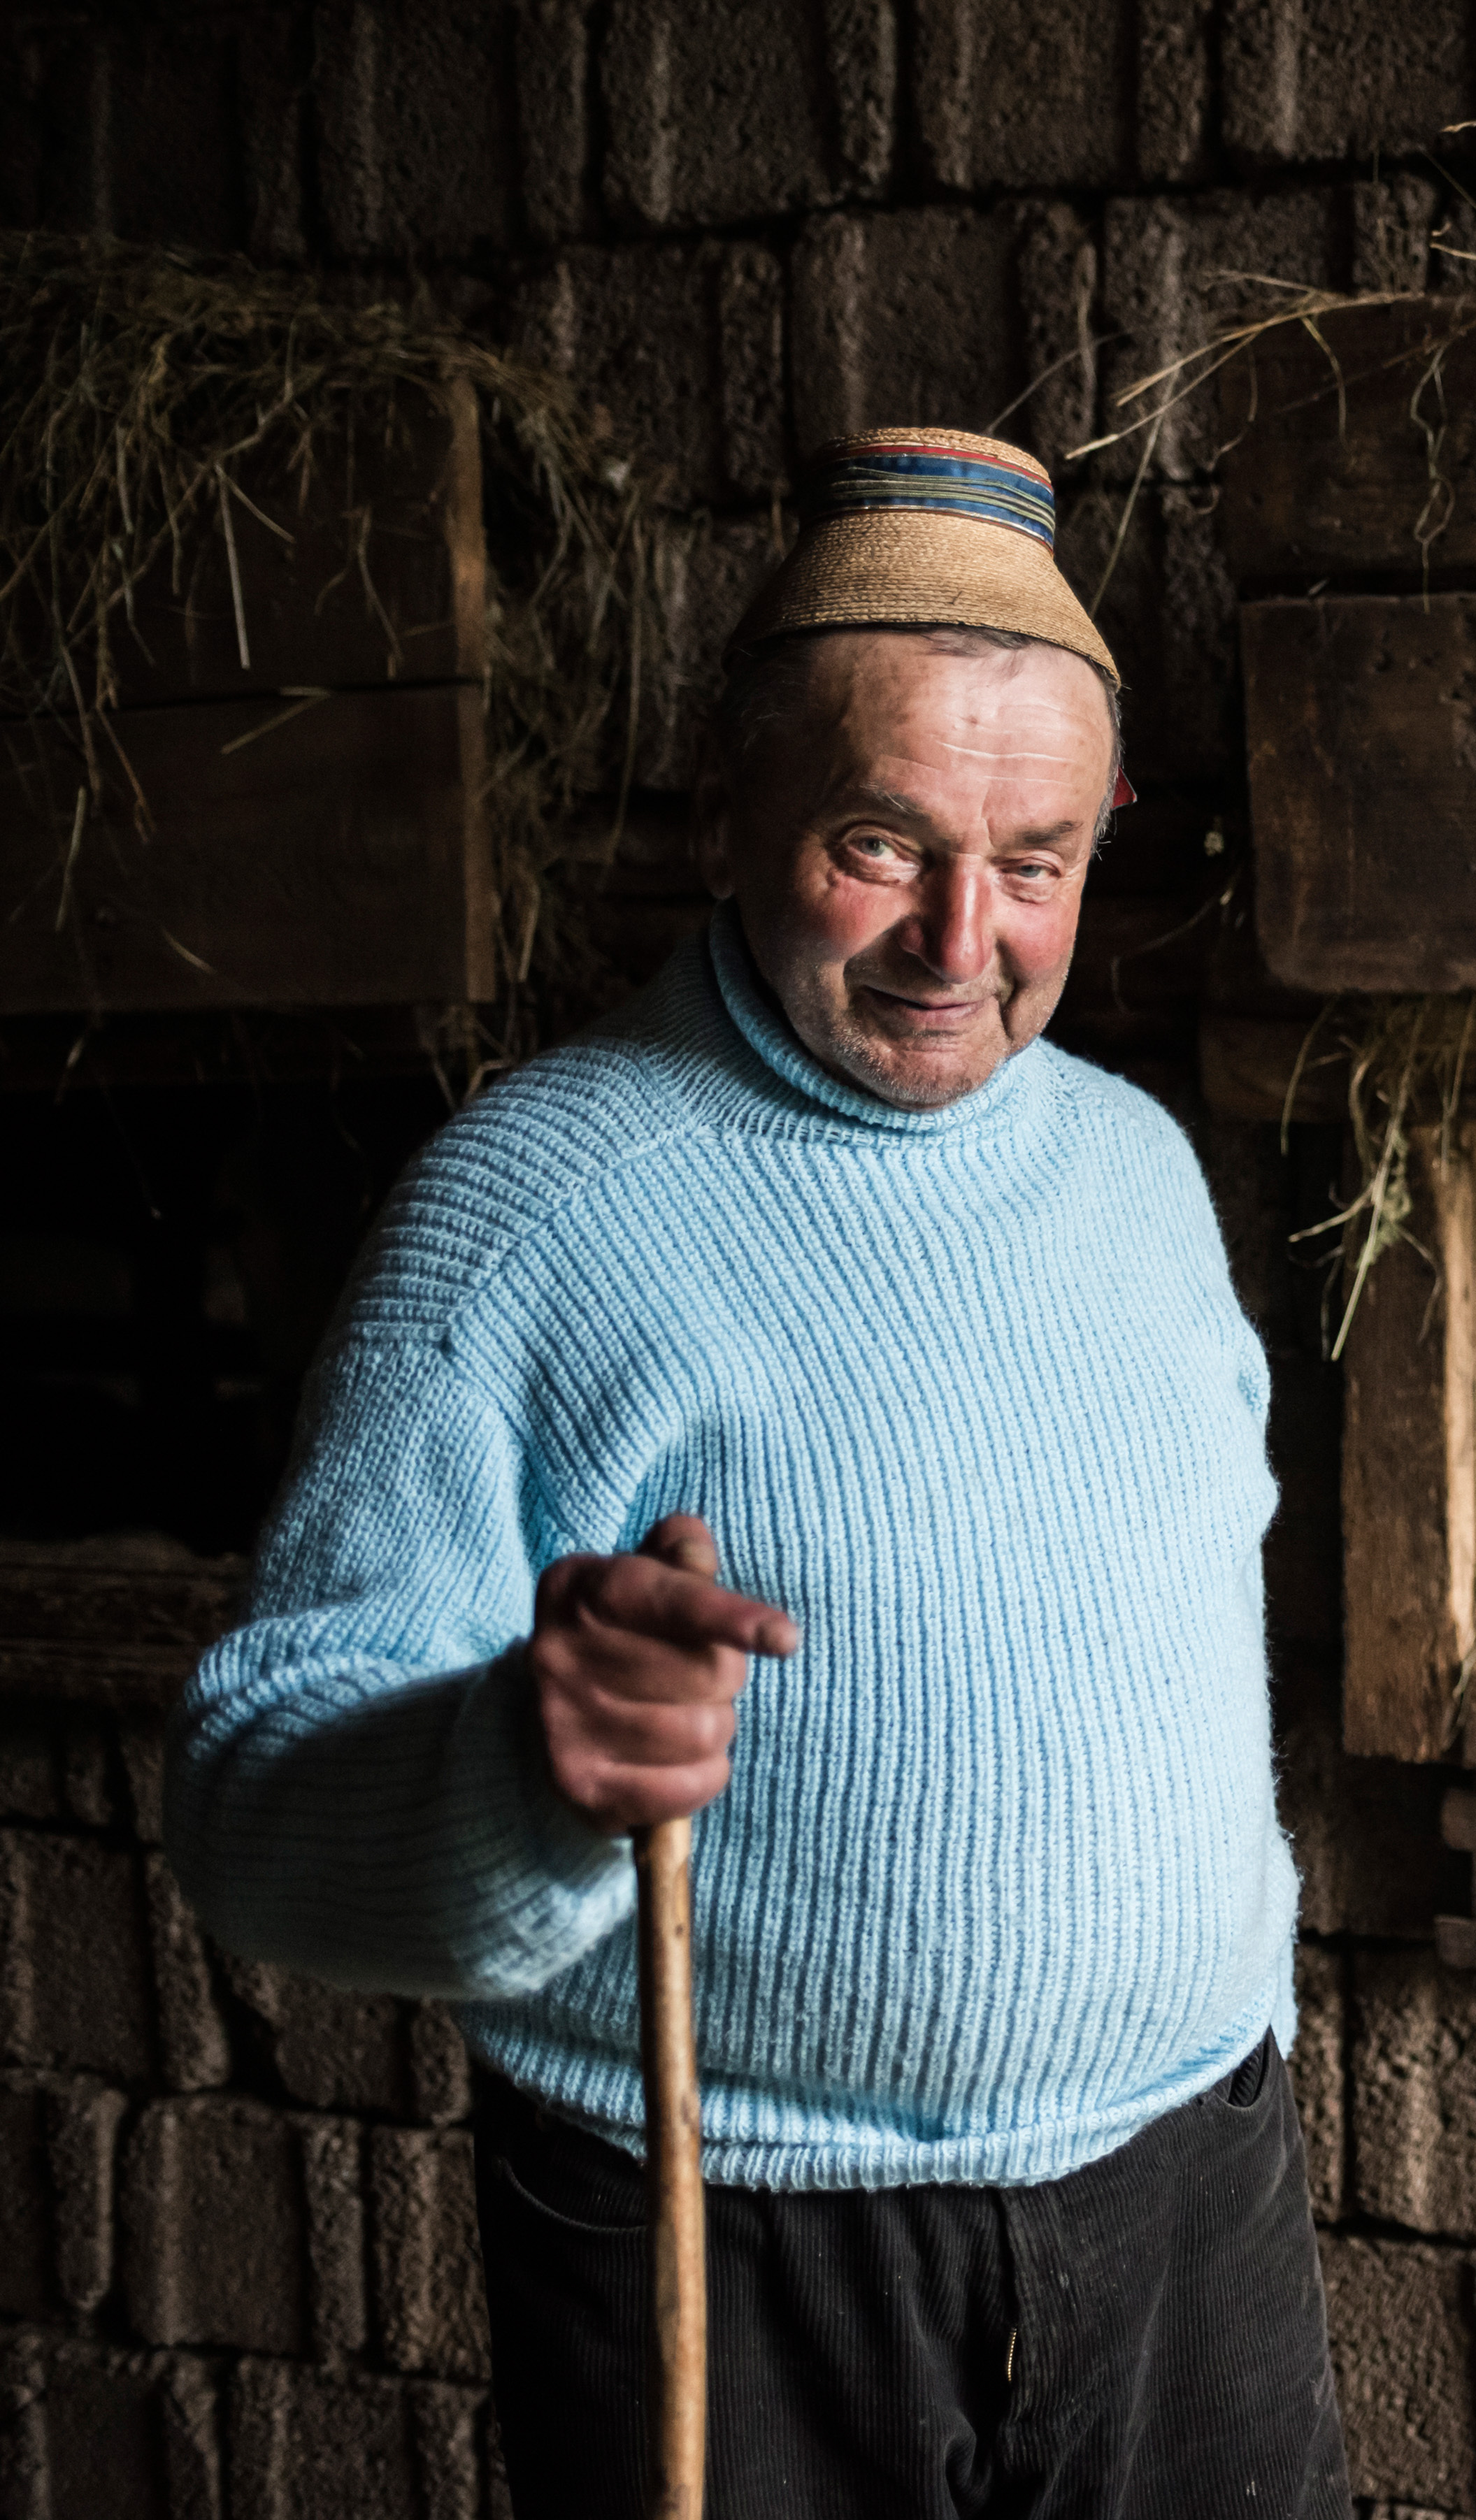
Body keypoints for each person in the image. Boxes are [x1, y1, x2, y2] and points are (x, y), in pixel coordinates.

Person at [169, 426, 1345, 2518]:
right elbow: (248, 1805)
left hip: (1192, 2203)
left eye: (1038, 861)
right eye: (881, 844)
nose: (959, 943)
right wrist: (516, 1764)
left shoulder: (1140, 1176)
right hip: (732, 2238)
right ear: (727, 811)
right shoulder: (532, 1214)